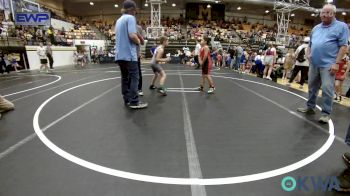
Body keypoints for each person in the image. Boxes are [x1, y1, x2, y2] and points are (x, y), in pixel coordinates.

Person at [297, 4, 349, 124]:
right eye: (322, 12)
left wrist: (337, 63)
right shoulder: (316, 28)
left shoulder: (341, 27)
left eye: (327, 12)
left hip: (329, 65)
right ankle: (310, 107)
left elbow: (343, 46)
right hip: (314, 63)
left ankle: (325, 113)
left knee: (327, 89)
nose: (323, 14)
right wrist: (308, 55)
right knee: (311, 87)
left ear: (333, 14)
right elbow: (310, 44)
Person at [115, 0, 147, 109]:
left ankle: (127, 99)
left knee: (125, 78)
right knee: (135, 77)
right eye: (135, 10)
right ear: (132, 10)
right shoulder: (131, 18)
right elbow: (132, 36)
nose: (135, 12)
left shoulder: (119, 20)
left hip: (119, 55)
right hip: (129, 55)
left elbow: (130, 33)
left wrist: (139, 37)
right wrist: (139, 42)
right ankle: (134, 101)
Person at [136, 25, 144, 96]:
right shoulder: (124, 26)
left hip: (135, 54)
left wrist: (138, 35)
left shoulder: (139, 28)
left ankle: (139, 89)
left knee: (138, 72)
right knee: (128, 74)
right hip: (128, 54)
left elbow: (142, 42)